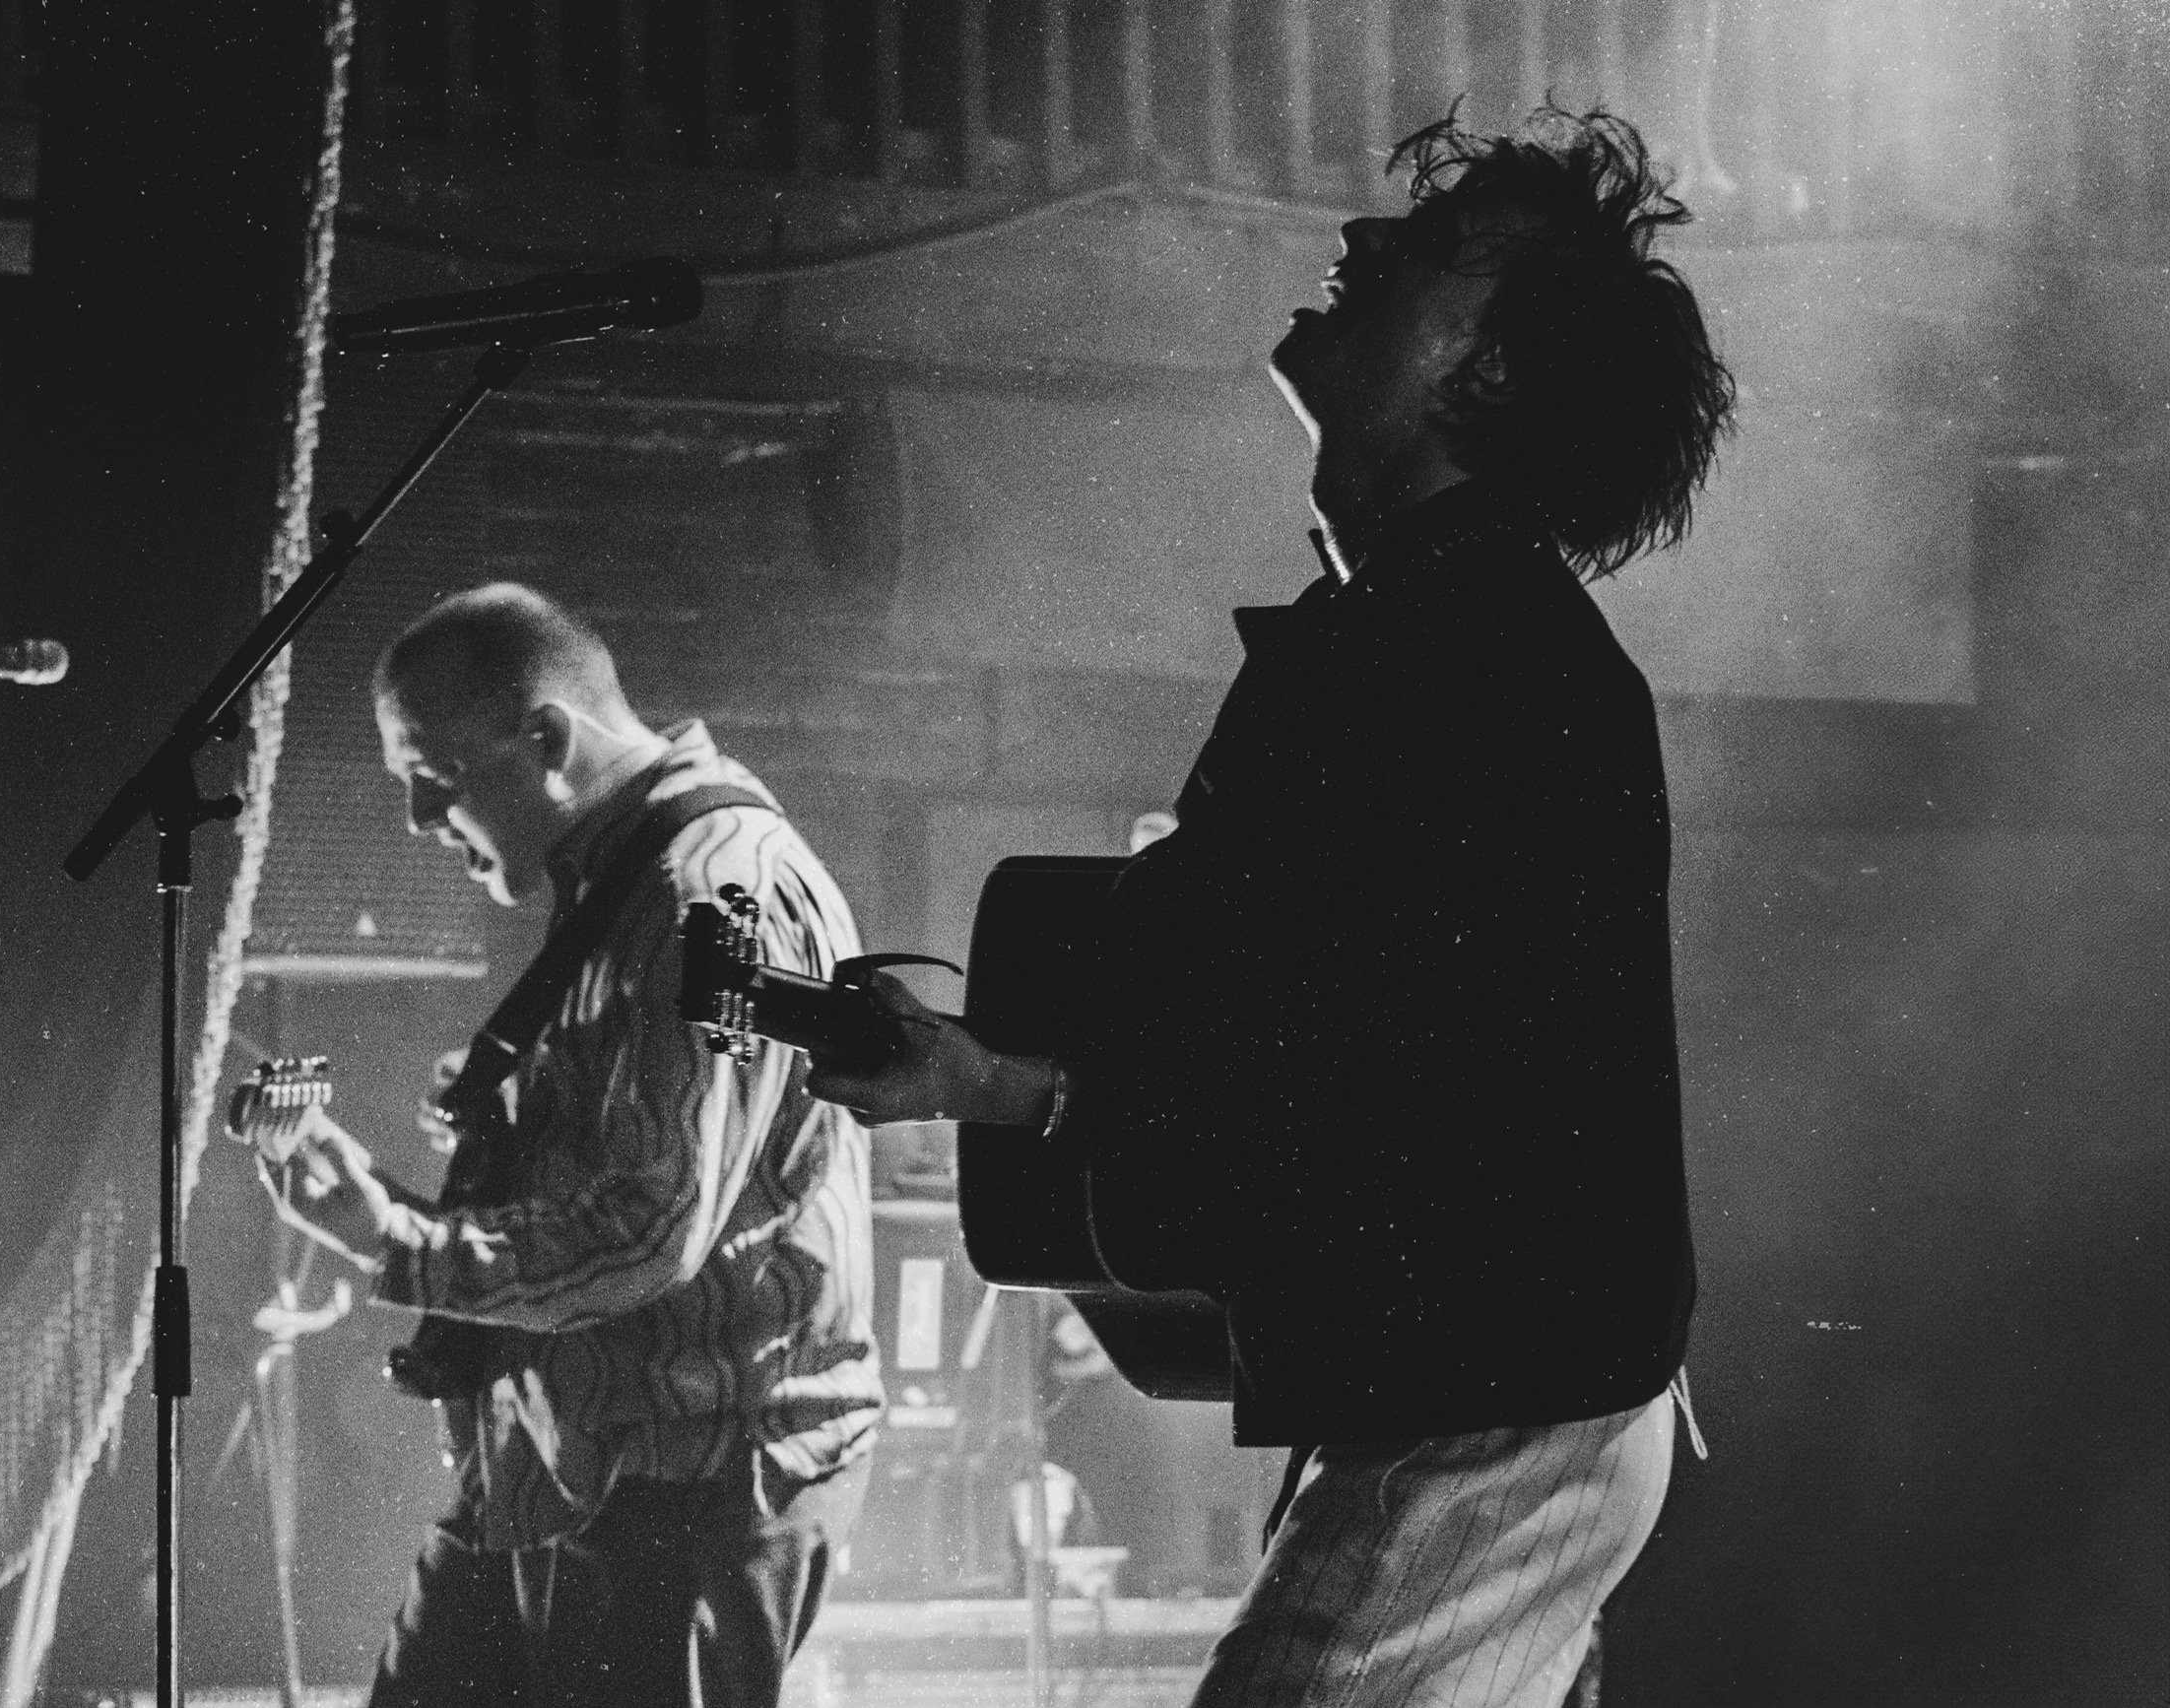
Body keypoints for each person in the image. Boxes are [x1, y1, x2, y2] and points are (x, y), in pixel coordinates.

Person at [806, 107, 1734, 1708]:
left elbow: (1384, 1079)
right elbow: (1311, 1047)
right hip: (1488, 1407)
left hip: (1497, 1419)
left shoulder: (1475, 657)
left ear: (1489, 370)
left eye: (1429, 251)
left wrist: (1076, 1102)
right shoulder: (1405, 634)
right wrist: (986, 1080)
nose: (1365, 243)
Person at [262, 582, 882, 1708]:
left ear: (546, 737)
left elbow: (651, 1230)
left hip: (689, 1481)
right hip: (570, 1465)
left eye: (433, 780)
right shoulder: (623, 882)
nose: (414, 821)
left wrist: (395, 1239)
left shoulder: (713, 893)